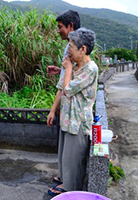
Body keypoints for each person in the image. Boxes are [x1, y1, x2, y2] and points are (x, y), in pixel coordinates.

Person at [47, 28, 98, 196]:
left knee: (75, 159)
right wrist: (53, 111)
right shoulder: (75, 66)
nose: (68, 50)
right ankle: (65, 181)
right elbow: (61, 87)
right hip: (67, 118)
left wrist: (67, 69)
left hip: (79, 121)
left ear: (82, 49)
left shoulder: (90, 69)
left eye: (71, 46)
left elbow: (68, 89)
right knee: (65, 155)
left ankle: (71, 189)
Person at [46, 9, 81, 187]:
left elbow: (65, 85)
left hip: (72, 106)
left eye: (60, 27)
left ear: (71, 26)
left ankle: (68, 184)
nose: (58, 30)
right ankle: (64, 179)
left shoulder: (73, 47)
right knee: (65, 145)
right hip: (68, 104)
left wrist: (53, 109)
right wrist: (61, 71)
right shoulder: (71, 46)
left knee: (70, 148)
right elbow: (73, 73)